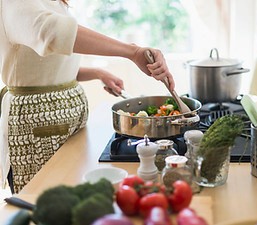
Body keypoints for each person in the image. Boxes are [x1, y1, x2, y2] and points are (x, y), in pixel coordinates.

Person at [0, 0, 175, 193]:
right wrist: (132, 51)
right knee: (44, 200)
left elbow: (44, 70)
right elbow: (52, 32)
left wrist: (97, 73)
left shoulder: (54, 2)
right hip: (38, 125)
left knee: (72, 196)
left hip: (68, 122)